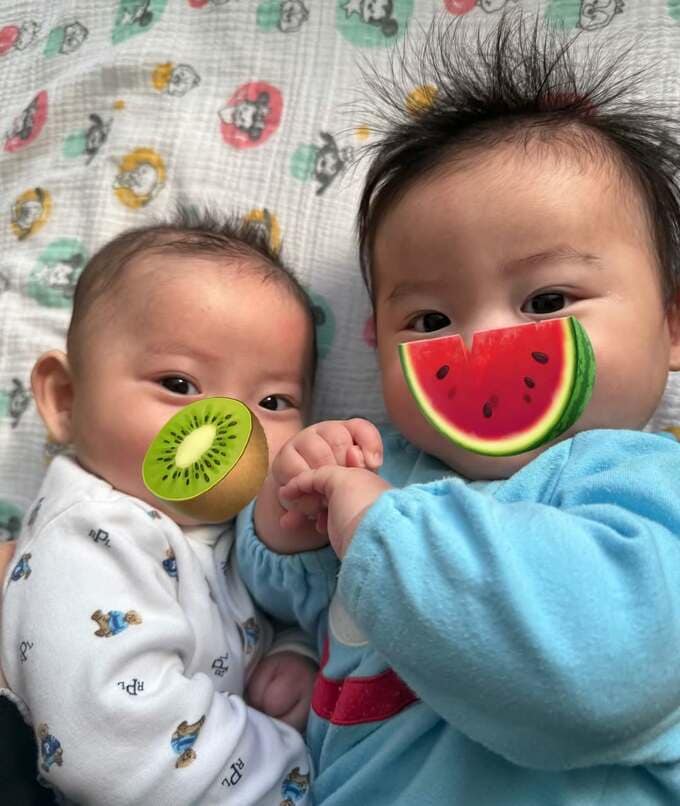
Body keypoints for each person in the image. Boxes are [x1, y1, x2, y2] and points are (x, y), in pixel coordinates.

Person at [234, 15, 680, 805]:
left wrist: (374, 525)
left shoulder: (645, 481)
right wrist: (286, 513)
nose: (484, 344)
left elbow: (602, 672)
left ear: (671, 328)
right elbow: (278, 599)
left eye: (547, 301)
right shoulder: (378, 463)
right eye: (431, 320)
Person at [0, 209, 317, 804]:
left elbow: (289, 604)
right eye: (178, 385)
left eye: (273, 401)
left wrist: (291, 651)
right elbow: (117, 742)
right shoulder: (95, 530)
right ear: (66, 400)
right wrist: (293, 773)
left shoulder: (241, 533)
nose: (229, 428)